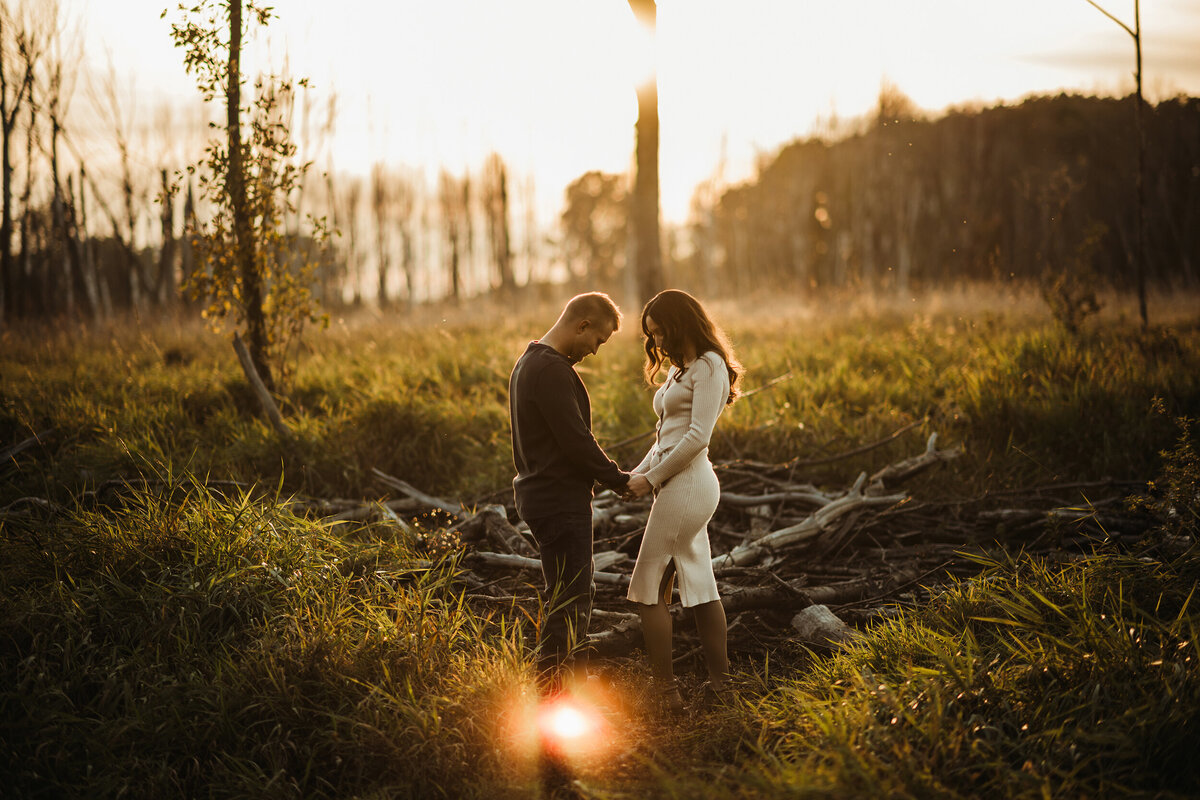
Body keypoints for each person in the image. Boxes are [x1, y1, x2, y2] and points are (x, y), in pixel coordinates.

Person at [624, 289, 742, 711]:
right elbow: (666, 438)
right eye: (651, 335)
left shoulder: (709, 366)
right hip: (675, 484)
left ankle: (665, 694)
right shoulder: (681, 370)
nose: (656, 342)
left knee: (648, 589)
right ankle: (720, 687)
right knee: (702, 586)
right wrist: (635, 475)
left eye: (660, 331)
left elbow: (697, 438)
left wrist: (651, 478)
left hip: (690, 485)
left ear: (681, 322)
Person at [509, 291, 631, 687]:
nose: (595, 351)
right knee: (571, 602)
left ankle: (560, 694)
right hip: (559, 503)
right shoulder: (551, 371)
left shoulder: (530, 362)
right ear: (582, 325)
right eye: (598, 340)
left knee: (566, 596)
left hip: (543, 498)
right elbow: (576, 441)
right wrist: (619, 480)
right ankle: (555, 701)